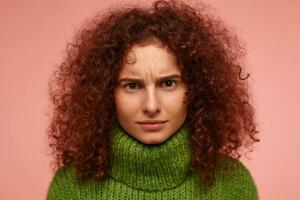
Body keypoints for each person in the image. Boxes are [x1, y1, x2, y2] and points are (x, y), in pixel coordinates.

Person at [46, 0, 260, 199]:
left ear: (197, 88)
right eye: (132, 85)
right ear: (105, 93)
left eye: (168, 84)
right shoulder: (70, 188)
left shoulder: (233, 185)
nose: (151, 106)